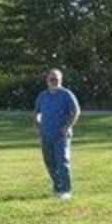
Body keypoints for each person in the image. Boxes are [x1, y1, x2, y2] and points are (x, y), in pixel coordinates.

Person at [34, 68, 80, 199]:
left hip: (61, 135)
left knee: (62, 162)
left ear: (61, 80)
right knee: (49, 162)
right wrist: (38, 126)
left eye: (56, 79)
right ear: (47, 80)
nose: (54, 81)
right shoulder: (42, 96)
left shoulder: (66, 94)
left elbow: (76, 111)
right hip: (46, 134)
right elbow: (36, 113)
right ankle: (57, 187)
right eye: (51, 79)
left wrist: (67, 126)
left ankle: (66, 190)